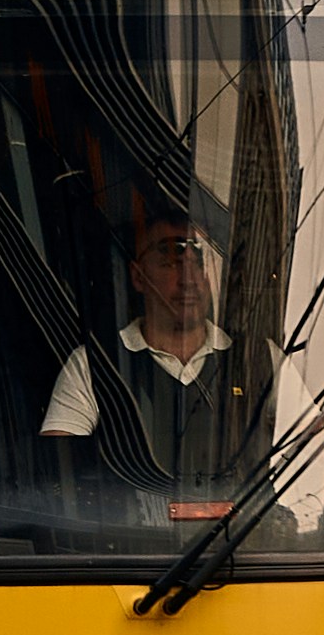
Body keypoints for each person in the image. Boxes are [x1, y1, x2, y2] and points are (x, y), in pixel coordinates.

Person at [36, 180, 280, 517]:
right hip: (136, 559)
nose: (189, 278)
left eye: (198, 261)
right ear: (137, 277)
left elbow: (316, 455)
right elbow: (59, 478)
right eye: (170, 262)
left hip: (259, 558)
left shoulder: (261, 359)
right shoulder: (95, 365)